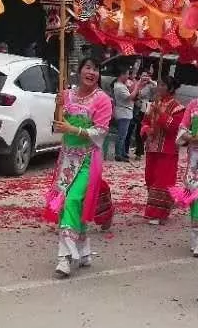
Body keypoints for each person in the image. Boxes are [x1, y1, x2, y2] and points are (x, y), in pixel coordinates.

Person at [45, 55, 112, 277]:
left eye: (96, 69)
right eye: (89, 67)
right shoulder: (66, 95)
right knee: (67, 205)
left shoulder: (102, 100)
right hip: (66, 160)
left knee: (73, 199)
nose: (92, 73)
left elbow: (101, 132)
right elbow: (56, 127)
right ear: (79, 70)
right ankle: (83, 252)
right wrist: (57, 107)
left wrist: (75, 130)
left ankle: (64, 257)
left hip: (87, 160)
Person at [176, 72, 198, 257]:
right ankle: (197, 234)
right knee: (193, 194)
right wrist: (190, 136)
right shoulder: (192, 105)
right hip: (193, 158)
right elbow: (183, 126)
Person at [141, 73, 184, 221]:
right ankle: (157, 207)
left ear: (171, 88)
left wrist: (161, 114)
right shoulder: (152, 104)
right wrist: (147, 130)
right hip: (152, 148)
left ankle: (157, 213)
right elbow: (145, 122)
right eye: (158, 84)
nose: (159, 87)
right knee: (150, 178)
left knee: (162, 180)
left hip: (168, 150)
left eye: (163, 85)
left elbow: (175, 128)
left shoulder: (178, 107)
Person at [111, 67, 137, 161]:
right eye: (126, 74)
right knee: (121, 135)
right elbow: (130, 97)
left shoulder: (122, 85)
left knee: (123, 134)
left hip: (126, 112)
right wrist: (137, 87)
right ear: (121, 75)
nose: (127, 76)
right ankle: (118, 154)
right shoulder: (119, 86)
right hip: (123, 112)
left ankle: (122, 152)